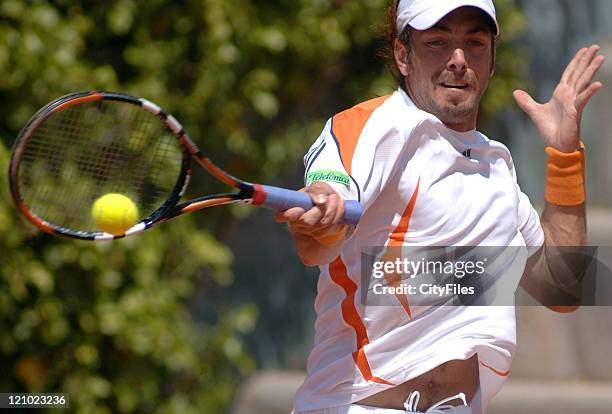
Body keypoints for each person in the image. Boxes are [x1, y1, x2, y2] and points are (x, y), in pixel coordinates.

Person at [275, 0, 605, 413]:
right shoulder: (371, 128)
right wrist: (319, 220)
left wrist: (564, 156)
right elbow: (319, 238)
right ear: (402, 54)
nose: (458, 60)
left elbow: (563, 287)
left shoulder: (496, 166)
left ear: (492, 58)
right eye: (437, 42)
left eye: (475, 43)